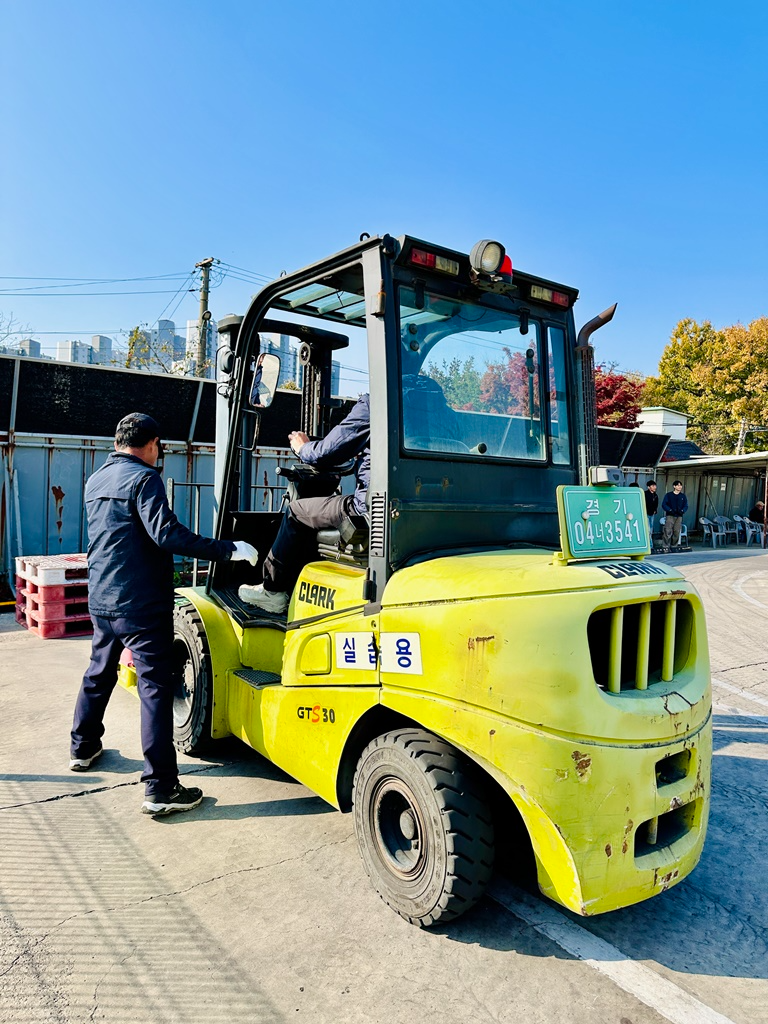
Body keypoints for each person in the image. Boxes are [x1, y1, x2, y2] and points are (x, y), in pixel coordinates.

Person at [69, 413, 258, 816]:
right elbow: (166, 534)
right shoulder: (144, 478)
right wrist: (228, 549)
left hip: (102, 596)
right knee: (155, 687)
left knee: (98, 672)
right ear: (152, 444)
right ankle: (161, 789)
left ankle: (82, 748)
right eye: (160, 449)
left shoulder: (96, 479)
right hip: (140, 604)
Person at [240, 394, 370, 613]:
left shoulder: (379, 400)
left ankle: (272, 590)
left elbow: (327, 451)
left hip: (368, 510)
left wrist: (303, 447)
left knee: (296, 511)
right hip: (408, 510)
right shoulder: (438, 409)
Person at [662, 480, 688, 548]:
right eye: (678, 485)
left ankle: (674, 546)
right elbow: (664, 504)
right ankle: (665, 546)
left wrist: (682, 511)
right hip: (670, 515)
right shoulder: (669, 495)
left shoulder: (683, 496)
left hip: (679, 516)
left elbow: (686, 505)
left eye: (680, 485)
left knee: (677, 531)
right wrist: (669, 510)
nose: (680, 487)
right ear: (674, 486)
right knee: (667, 531)